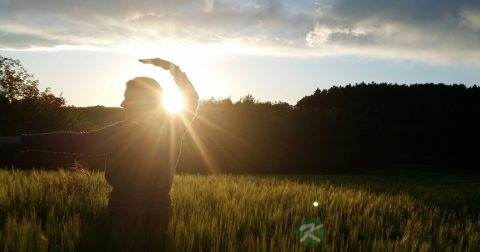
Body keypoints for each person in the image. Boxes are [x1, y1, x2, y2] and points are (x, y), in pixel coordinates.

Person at [0, 58, 199, 251]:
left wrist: (21, 140)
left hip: (124, 211)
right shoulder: (173, 127)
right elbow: (191, 98)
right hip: (159, 211)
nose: (122, 104)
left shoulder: (121, 133)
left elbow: (72, 141)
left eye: (128, 99)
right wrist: (172, 68)